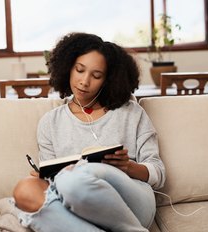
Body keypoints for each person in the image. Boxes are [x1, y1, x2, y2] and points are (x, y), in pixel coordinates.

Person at [13, 32, 165, 232]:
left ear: (108, 79)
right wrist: (44, 177)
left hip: (133, 203)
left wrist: (128, 167)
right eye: (79, 70)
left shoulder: (130, 113)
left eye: (96, 75)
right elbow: (52, 188)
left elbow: (159, 173)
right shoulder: (50, 123)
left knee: (74, 176)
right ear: (68, 68)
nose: (84, 81)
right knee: (24, 189)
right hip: (78, 206)